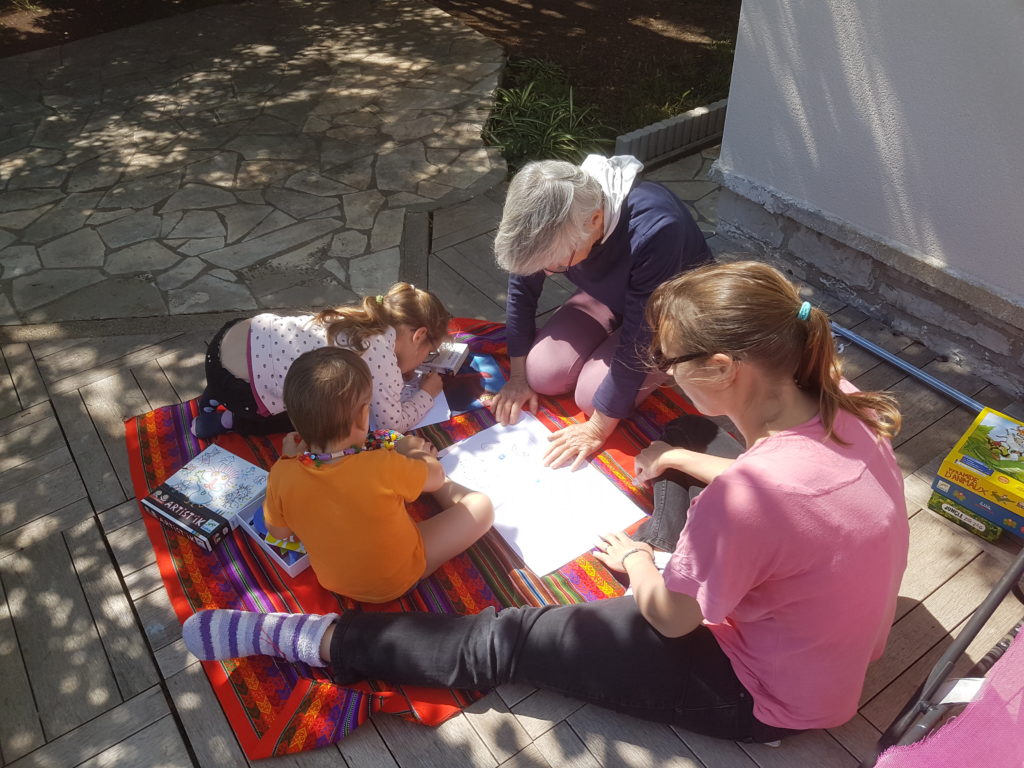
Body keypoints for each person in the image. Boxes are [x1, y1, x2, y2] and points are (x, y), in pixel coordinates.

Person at [182, 261, 910, 743]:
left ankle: (320, 641)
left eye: (667, 362)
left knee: (510, 639)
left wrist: (639, 563)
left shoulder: (751, 497)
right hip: (821, 653)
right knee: (682, 454)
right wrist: (678, 456)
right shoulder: (847, 404)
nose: (658, 373)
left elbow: (672, 617)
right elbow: (784, 494)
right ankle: (670, 514)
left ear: (724, 369)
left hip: (759, 693)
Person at [491, 155, 713, 470]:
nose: (549, 271)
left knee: (592, 397)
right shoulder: (554, 213)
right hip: (613, 297)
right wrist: (516, 377)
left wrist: (597, 427)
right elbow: (521, 290)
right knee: (539, 372)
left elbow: (640, 335)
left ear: (595, 220)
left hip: (672, 315)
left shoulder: (657, 228)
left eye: (558, 263)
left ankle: (669, 361)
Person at [262, 346, 493, 603]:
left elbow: (279, 533)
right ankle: (424, 483)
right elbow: (436, 476)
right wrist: (415, 452)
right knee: (481, 506)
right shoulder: (382, 464)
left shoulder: (281, 473)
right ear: (363, 416)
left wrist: (289, 459)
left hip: (335, 582)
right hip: (400, 578)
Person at [193, 282, 448, 439]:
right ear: (419, 335)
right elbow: (390, 427)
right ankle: (228, 420)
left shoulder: (362, 318)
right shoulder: (382, 355)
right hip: (240, 393)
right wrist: (427, 394)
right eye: (429, 353)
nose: (423, 361)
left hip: (223, 344)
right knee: (323, 417)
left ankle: (211, 396)